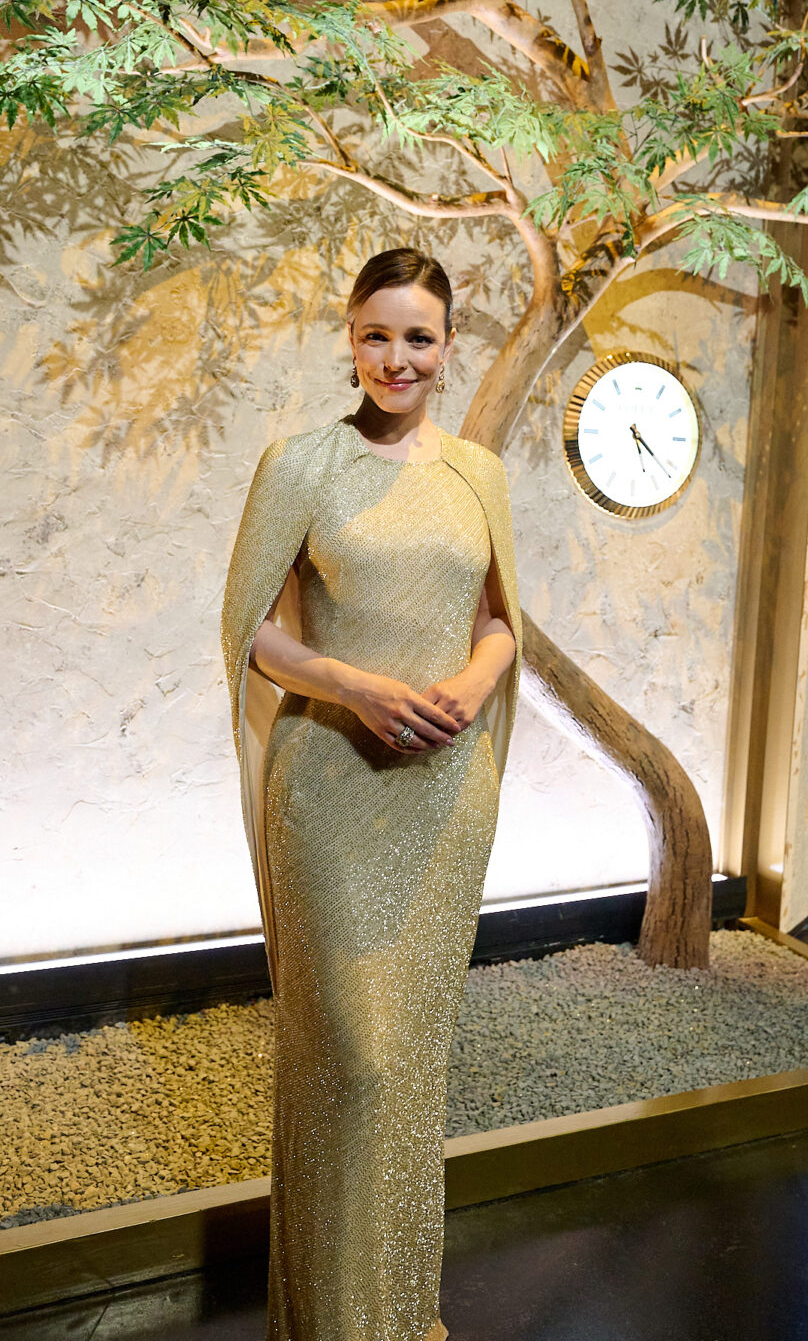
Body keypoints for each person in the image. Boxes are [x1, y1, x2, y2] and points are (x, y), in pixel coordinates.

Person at [220, 247, 522, 1341]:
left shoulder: (476, 473)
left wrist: (475, 682)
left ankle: (398, 1316)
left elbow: (498, 617)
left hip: (446, 791)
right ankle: (326, 1322)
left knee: (408, 1066)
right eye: (376, 335)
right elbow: (250, 630)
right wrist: (347, 684)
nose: (398, 358)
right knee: (346, 1052)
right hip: (329, 791)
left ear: (450, 347)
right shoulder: (299, 465)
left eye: (420, 337)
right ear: (349, 339)